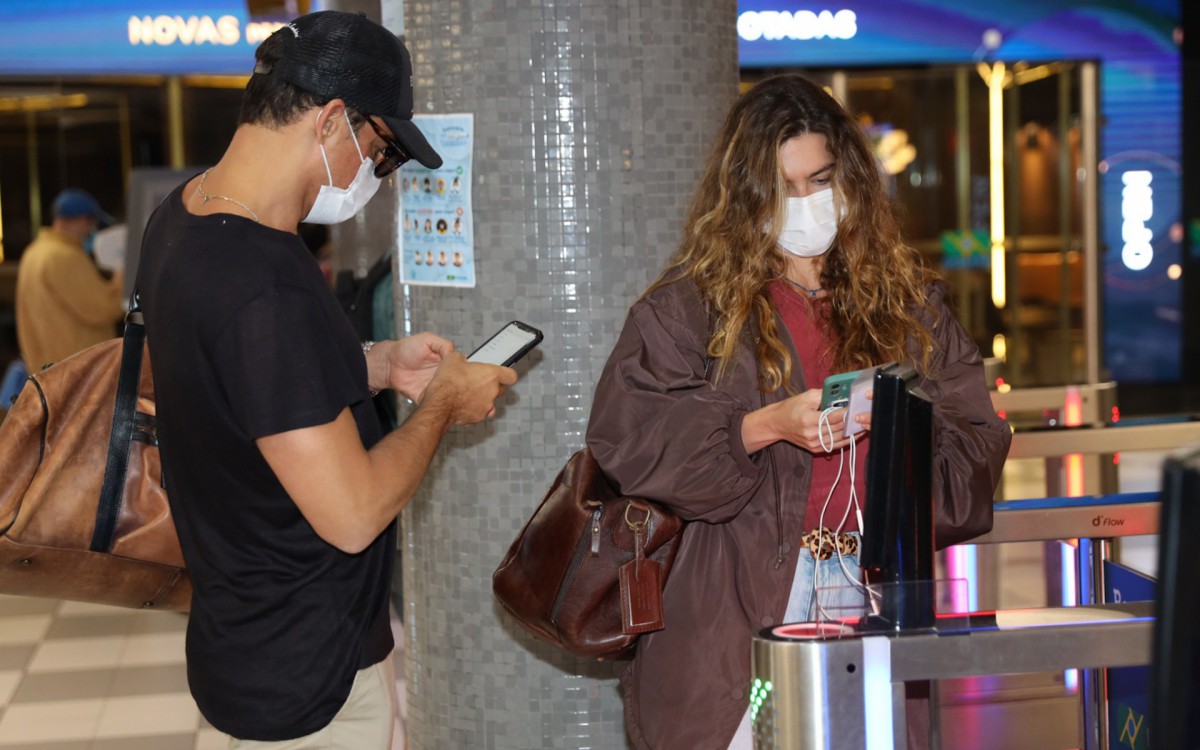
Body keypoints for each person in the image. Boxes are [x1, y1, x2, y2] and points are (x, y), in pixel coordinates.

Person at [585, 74, 1012, 750]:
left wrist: (902, 432)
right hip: (734, 601)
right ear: (746, 195)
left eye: (821, 180)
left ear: (851, 179)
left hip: (870, 590)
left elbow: (976, 445)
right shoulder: (687, 308)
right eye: (784, 189)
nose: (807, 203)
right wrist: (762, 427)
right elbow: (628, 442)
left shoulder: (907, 304)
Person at [134, 11, 517, 749]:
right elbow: (353, 513)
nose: (376, 174)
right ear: (333, 119)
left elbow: (235, 383)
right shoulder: (263, 284)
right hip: (311, 684)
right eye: (381, 150)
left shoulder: (183, 217)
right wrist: (438, 407)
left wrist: (370, 362)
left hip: (237, 649)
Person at [15, 188, 124, 371]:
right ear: (82, 220)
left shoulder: (34, 252)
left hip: (48, 369)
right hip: (79, 371)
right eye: (92, 223)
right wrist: (122, 277)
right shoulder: (65, 257)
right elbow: (102, 309)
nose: (92, 230)